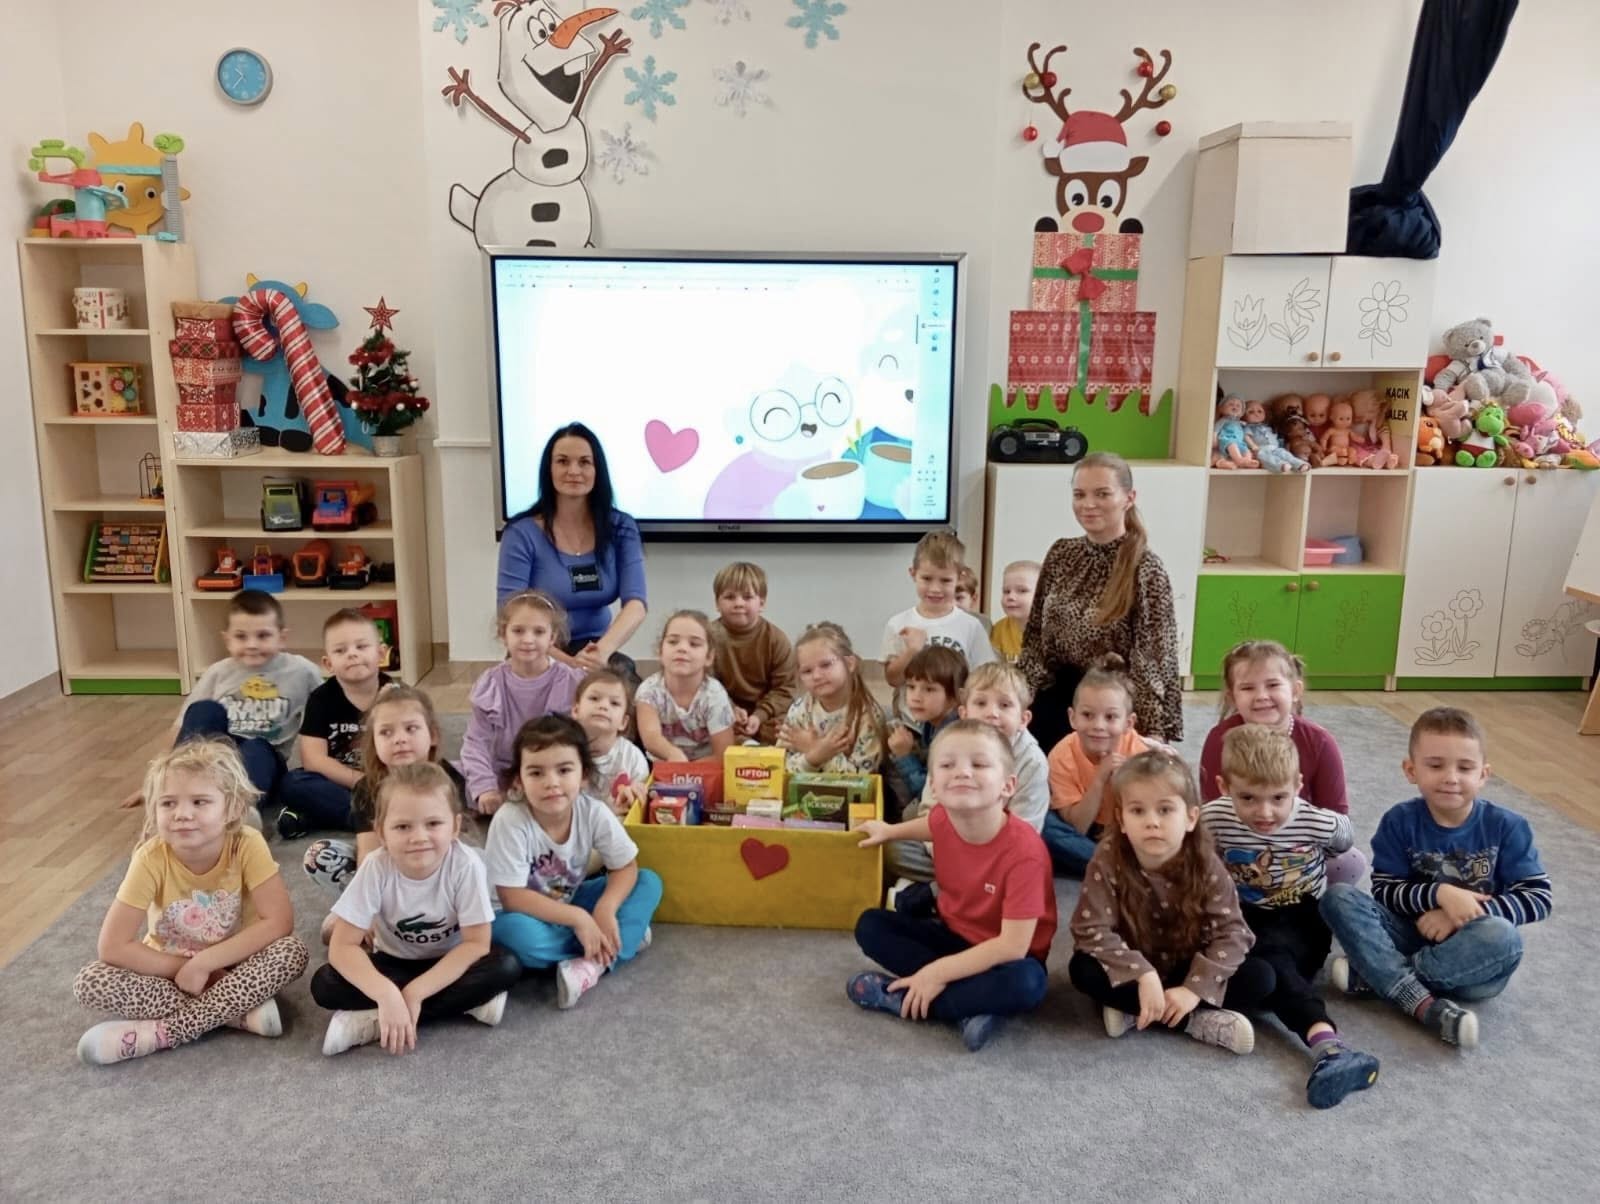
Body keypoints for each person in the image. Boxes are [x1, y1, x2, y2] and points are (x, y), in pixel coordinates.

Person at [1320, 707, 1552, 1049]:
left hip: (1473, 959)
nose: (1451, 777)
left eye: (1465, 768)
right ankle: (1411, 991)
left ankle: (1382, 977)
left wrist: (1458, 916)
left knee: (1504, 937)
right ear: (1411, 770)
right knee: (1337, 896)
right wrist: (1439, 893)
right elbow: (1386, 891)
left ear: (1484, 774)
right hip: (1408, 933)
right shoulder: (1399, 821)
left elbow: (1537, 897)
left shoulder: (1507, 826)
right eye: (1436, 765)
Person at [73, 739, 309, 1065]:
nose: (182, 814)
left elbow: (279, 922)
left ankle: (166, 1032)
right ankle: (235, 1014)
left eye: (200, 802)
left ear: (232, 808)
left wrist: (207, 963)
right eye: (168, 803)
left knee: (291, 953)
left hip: (237, 966)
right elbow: (112, 947)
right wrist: (187, 969)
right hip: (172, 973)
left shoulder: (247, 844)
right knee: (90, 981)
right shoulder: (150, 857)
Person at [849, 720, 1055, 1052]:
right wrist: (889, 831)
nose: (962, 772)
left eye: (979, 764)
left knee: (1028, 984)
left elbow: (1012, 947)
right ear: (934, 785)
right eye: (947, 765)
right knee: (870, 925)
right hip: (954, 936)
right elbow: (931, 825)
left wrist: (937, 973)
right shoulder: (946, 817)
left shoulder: (1025, 853)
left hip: (1008, 958)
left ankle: (908, 998)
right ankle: (970, 1005)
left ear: (1007, 786)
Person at [1202, 726, 1380, 1108]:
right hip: (1242, 916)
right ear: (1223, 786)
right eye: (1248, 798)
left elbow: (1345, 840)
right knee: (1256, 970)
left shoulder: (1316, 821)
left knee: (1273, 962)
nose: (1265, 813)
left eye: (1278, 798)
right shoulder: (1212, 817)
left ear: (1298, 786)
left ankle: (1328, 1044)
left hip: (1302, 916)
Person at [311, 762, 523, 1056]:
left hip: (450, 962)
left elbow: (476, 944)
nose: (419, 837)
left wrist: (415, 992)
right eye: (402, 827)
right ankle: (463, 1004)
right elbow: (342, 947)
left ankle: (375, 1022)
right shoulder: (376, 866)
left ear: (455, 827)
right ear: (381, 832)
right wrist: (385, 993)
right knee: (324, 984)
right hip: (393, 962)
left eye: (433, 824)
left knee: (507, 965)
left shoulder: (466, 865)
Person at [1068, 749, 1267, 1055]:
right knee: (1082, 969)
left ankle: (1141, 1012)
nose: (1152, 822)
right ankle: (1193, 1020)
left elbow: (1233, 933)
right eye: (1138, 811)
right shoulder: (1107, 858)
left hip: (1188, 963)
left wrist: (1193, 989)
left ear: (1190, 817)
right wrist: (1141, 973)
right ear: (1121, 819)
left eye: (1165, 810)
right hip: (1131, 964)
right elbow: (1090, 929)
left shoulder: (1205, 863)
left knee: (1262, 977)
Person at [487, 716, 663, 1009]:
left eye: (564, 770)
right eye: (536, 772)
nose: (552, 783)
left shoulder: (593, 811)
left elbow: (625, 866)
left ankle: (591, 965)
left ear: (583, 775)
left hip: (570, 900)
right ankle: (617, 941)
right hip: (521, 914)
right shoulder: (510, 820)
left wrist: (605, 909)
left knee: (648, 882)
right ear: (519, 780)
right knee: (511, 934)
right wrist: (580, 919)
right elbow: (512, 898)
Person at [1017, 452, 1183, 752]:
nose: (1088, 504)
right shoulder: (1061, 553)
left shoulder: (1146, 568)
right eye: (1079, 494)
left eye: (1102, 494)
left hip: (1110, 708)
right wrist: (1018, 699)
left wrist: (1152, 734)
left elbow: (1154, 660)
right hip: (1054, 698)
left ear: (1129, 498)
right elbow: (1034, 639)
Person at [119, 590, 322, 810]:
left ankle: (241, 809)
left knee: (256, 747)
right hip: (216, 760)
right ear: (227, 639)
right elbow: (181, 727)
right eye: (241, 636)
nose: (252, 644)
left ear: (282, 638)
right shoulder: (218, 672)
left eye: (263, 635)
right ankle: (177, 787)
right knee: (203, 710)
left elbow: (331, 709)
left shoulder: (302, 671)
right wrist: (154, 780)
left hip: (265, 761)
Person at [1198, 640, 1366, 886]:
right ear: (1232, 697)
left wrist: (1295, 844)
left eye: (1273, 685)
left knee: (1351, 861)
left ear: (1295, 690)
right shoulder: (1219, 740)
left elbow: (1337, 820)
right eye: (1248, 688)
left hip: (1297, 844)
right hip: (1239, 842)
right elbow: (1215, 812)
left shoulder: (1320, 742)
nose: (1261, 696)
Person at [495, 422, 647, 676]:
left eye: (584, 462)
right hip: (537, 649)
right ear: (549, 469)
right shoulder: (521, 533)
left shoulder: (622, 527)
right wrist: (568, 663)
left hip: (595, 650)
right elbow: (509, 612)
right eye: (563, 461)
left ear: (597, 470)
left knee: (623, 689)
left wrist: (601, 652)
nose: (574, 471)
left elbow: (636, 604)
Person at [303, 684, 450, 903]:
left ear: (433, 735)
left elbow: (457, 846)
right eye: (386, 732)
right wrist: (368, 906)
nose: (399, 739)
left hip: (440, 874)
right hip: (389, 876)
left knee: (479, 859)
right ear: (373, 742)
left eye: (411, 729)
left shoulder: (448, 780)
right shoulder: (368, 788)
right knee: (319, 856)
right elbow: (368, 852)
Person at [460, 590, 584, 815]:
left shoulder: (570, 681)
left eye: (539, 632)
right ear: (503, 634)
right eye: (518, 631)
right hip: (504, 773)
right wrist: (485, 787)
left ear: (552, 637)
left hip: (552, 774)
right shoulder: (492, 683)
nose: (528, 640)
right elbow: (476, 742)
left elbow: (583, 739)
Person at [277, 609, 392, 840]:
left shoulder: (396, 695)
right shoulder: (321, 699)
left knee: (435, 775)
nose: (352, 654)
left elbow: (413, 748)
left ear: (381, 654)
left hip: (386, 780)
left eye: (361, 646)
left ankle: (316, 816)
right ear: (328, 663)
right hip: (339, 780)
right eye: (341, 650)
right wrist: (359, 781)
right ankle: (375, 819)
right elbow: (313, 759)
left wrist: (384, 781)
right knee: (293, 783)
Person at [1043, 654, 1153, 878]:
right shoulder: (1061, 755)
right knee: (1045, 827)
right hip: (1084, 832)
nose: (1098, 726)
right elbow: (1078, 827)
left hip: (1126, 830)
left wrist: (1124, 785)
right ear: (1072, 718)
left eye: (1110, 717)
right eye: (1087, 715)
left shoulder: (1138, 753)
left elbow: (1146, 819)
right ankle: (1120, 869)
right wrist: (1100, 779)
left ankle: (1106, 866)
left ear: (1128, 723)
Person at [881, 530, 994, 691]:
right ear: (913, 574)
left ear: (959, 578)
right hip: (912, 708)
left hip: (958, 707)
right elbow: (893, 679)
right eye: (927, 579)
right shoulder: (898, 623)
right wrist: (912, 651)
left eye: (945, 580)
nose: (935, 589)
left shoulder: (972, 626)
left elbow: (985, 678)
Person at [778, 621, 887, 776]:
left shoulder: (867, 716)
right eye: (807, 671)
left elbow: (861, 777)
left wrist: (816, 750)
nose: (816, 676)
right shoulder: (799, 710)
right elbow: (778, 768)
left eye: (825, 665)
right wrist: (814, 756)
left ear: (849, 664)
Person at [710, 561, 798, 744]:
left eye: (747, 597)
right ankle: (743, 743)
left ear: (761, 603)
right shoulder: (708, 638)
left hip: (766, 714)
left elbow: (785, 689)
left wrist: (759, 715)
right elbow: (705, 684)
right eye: (730, 597)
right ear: (717, 603)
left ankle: (750, 744)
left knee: (788, 729)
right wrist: (730, 709)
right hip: (724, 710)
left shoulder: (776, 639)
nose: (738, 603)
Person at [634, 610, 736, 762]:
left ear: (709, 657)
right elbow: (651, 738)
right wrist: (672, 755)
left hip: (707, 767)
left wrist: (687, 770)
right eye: (673, 642)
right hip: (662, 766)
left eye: (694, 644)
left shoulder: (714, 694)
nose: (682, 648)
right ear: (660, 651)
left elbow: (723, 753)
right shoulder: (648, 691)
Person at [887, 645, 967, 802]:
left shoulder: (953, 738)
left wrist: (904, 756)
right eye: (911, 687)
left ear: (955, 697)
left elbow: (928, 792)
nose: (916, 697)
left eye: (929, 689)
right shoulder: (932, 720)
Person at [571, 669, 650, 817]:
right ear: (576, 710)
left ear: (623, 722)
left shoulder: (632, 757)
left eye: (614, 703)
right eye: (594, 698)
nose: (603, 706)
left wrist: (635, 794)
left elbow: (642, 802)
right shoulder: (564, 753)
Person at [989, 559, 1039, 665]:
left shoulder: (1052, 630)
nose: (1010, 596)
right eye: (1006, 591)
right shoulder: (999, 629)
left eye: (1022, 591)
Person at [955, 565, 992, 634]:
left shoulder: (984, 623)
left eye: (959, 598)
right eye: (946, 598)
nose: (953, 604)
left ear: (973, 600)